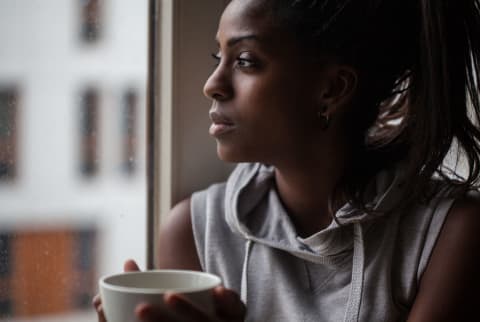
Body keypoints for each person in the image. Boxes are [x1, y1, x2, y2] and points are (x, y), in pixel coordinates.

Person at [94, 0, 480, 321]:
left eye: (245, 61)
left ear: (331, 88)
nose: (212, 84)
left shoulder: (451, 234)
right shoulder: (194, 232)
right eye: (218, 56)